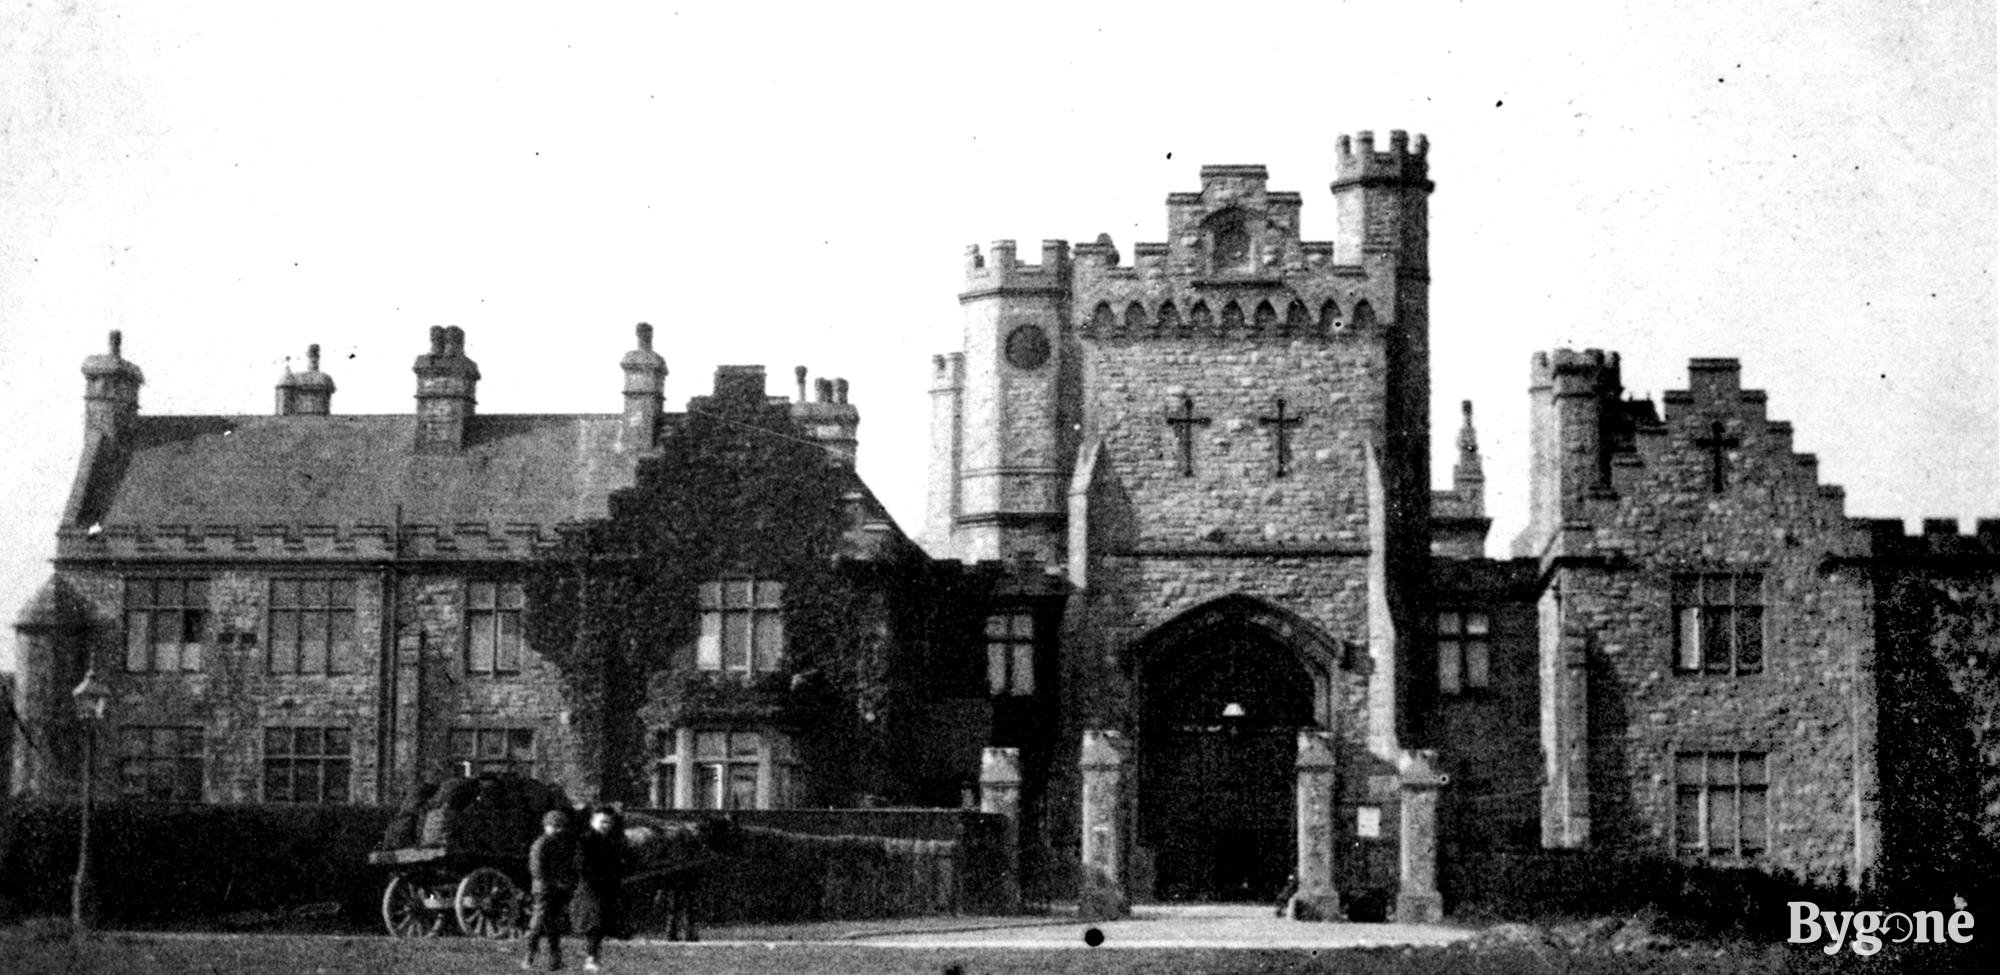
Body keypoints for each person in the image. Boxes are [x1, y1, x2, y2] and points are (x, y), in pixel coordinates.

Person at [569, 806, 628, 972]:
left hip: (604, 888)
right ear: (593, 822)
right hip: (590, 889)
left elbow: (616, 864)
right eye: (602, 822)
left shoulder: (609, 841)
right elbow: (581, 866)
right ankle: (591, 958)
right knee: (594, 924)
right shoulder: (585, 840)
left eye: (608, 822)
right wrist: (601, 878)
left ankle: (594, 957)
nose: (605, 825)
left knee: (601, 925)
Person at [522, 809, 578, 971]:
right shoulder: (540, 844)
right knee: (538, 924)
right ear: (546, 826)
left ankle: (555, 960)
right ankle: (529, 956)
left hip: (557, 889)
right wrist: (555, 883)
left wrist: (567, 883)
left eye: (561, 826)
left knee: (555, 925)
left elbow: (568, 867)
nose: (559, 829)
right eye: (555, 826)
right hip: (544, 890)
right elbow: (537, 870)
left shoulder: (562, 844)